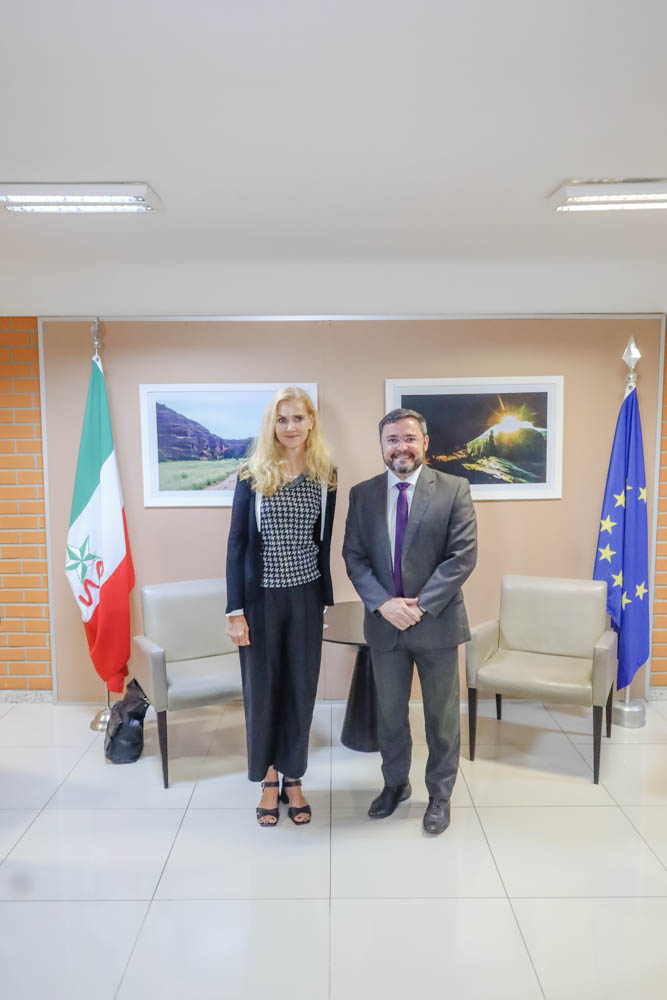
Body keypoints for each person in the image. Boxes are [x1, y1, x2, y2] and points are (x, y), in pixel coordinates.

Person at [342, 407, 477, 835]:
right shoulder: (362, 494)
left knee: (441, 718)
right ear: (382, 446)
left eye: (409, 438)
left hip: (436, 624)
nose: (401, 447)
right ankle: (395, 785)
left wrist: (418, 606)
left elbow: (462, 557)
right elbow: (354, 557)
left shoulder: (454, 489)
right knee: (390, 716)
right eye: (392, 439)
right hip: (385, 627)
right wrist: (384, 604)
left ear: (425, 443)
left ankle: (439, 795)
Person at [225, 386, 336, 827]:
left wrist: (324, 603)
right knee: (263, 692)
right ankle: (269, 780)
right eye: (282, 419)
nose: (290, 427)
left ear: (311, 422)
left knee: (299, 691)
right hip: (261, 602)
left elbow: (323, 542)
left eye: (298, 418)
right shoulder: (252, 474)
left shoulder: (326, 475)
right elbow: (236, 545)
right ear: (272, 424)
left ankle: (294, 777)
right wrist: (235, 610)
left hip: (305, 599)